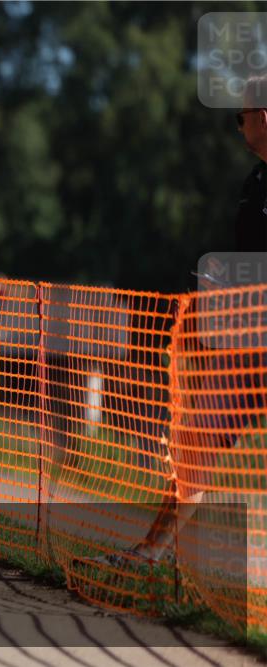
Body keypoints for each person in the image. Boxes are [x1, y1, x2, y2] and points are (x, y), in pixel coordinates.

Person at [99, 75, 266, 566]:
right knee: (196, 441)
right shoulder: (254, 183)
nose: (237, 128)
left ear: (263, 117)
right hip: (250, 341)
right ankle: (151, 554)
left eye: (240, 117)